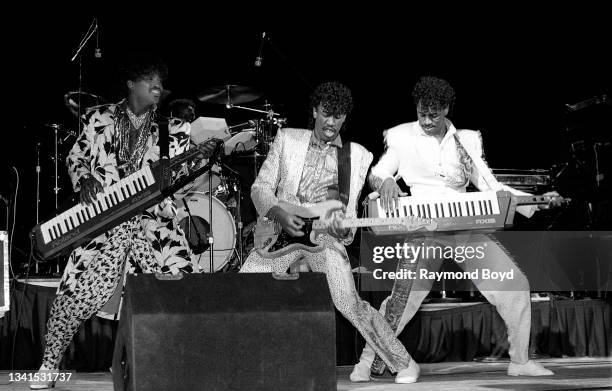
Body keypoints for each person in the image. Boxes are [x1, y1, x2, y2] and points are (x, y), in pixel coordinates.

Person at [350, 76, 560, 383]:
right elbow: (378, 172)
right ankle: (367, 362)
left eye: (434, 113)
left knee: (514, 284)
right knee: (401, 301)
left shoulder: (468, 140)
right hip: (422, 227)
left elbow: (492, 187)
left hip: (463, 226)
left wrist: (535, 202)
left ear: (447, 109)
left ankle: (520, 360)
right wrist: (387, 181)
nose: (426, 119)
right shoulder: (400, 136)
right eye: (422, 112)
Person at [30, 55, 215, 389]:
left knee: (183, 287)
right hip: (103, 222)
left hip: (152, 223)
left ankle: (189, 364)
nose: (159, 89)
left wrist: (198, 161)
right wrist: (85, 177)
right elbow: (76, 156)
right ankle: (48, 365)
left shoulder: (171, 129)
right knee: (75, 292)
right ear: (131, 84)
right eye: (151, 83)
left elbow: (182, 185)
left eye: (161, 85)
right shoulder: (98, 118)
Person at [238, 81, 420, 384]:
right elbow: (260, 188)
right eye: (326, 114)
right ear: (314, 111)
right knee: (240, 293)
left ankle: (404, 362)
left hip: (323, 238)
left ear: (345, 117)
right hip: (280, 233)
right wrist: (280, 214)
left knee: (350, 303)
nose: (331, 122)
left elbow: (350, 219)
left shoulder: (357, 156)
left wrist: (346, 228)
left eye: (338, 116)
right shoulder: (288, 139)